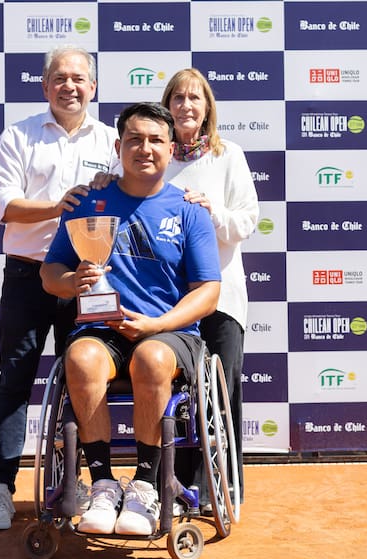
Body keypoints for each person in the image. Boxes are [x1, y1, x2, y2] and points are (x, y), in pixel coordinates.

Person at [40, 102, 221, 536]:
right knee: (80, 358)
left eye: (156, 140)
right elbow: (50, 274)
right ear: (118, 146)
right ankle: (102, 483)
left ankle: (144, 485)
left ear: (171, 148)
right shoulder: (89, 201)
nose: (145, 148)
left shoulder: (190, 209)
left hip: (169, 333)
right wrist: (73, 281)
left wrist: (157, 326)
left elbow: (209, 292)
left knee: (152, 360)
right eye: (135, 140)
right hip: (101, 330)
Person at [0, 45, 118, 531]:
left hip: (84, 277)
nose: (70, 86)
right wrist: (58, 206)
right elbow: (3, 205)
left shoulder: (111, 141)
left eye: (79, 78)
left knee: (82, 382)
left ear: (93, 87)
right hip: (27, 274)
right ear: (45, 86)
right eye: (60, 78)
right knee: (15, 382)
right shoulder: (19, 136)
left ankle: (76, 482)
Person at [161, 68, 259, 510]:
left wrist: (211, 211)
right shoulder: (152, 156)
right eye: (178, 97)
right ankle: (179, 488)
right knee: (177, 396)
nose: (186, 105)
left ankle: (227, 487)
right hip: (168, 299)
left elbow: (246, 222)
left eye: (195, 98)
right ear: (167, 106)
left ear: (207, 107)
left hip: (221, 298)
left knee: (221, 392)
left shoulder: (228, 155)